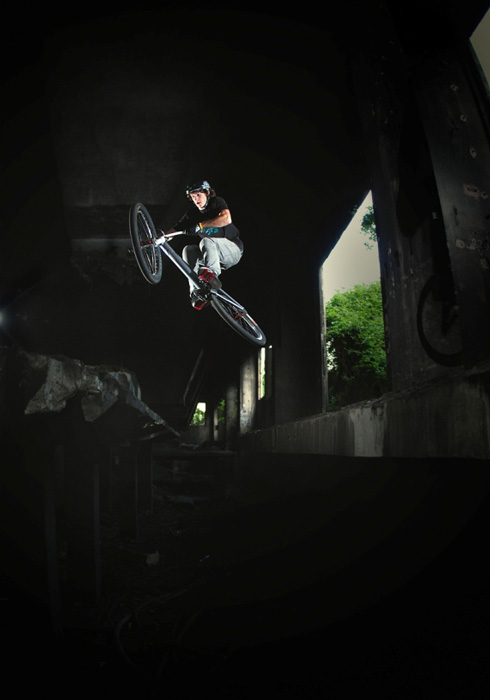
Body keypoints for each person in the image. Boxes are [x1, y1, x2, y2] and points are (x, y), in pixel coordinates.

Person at [158, 180, 243, 309]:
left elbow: (226, 218)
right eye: (193, 197)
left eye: (198, 195)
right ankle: (196, 291)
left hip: (233, 249)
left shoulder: (216, 202)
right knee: (188, 250)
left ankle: (212, 274)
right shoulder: (192, 215)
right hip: (215, 257)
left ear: (207, 192)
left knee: (206, 241)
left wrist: (201, 225)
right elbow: (173, 231)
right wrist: (158, 238)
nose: (196, 199)